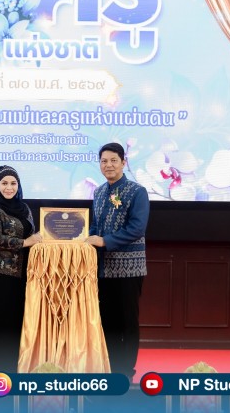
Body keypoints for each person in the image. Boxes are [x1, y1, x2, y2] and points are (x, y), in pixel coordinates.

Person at [86, 142, 149, 381]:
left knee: (127, 322)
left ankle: (126, 372)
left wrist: (104, 241)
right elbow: (95, 226)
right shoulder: (99, 192)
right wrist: (84, 240)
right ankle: (111, 369)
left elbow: (137, 228)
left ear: (124, 162)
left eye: (114, 160)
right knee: (108, 322)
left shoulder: (137, 191)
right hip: (103, 269)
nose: (108, 165)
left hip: (129, 269)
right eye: (104, 161)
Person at [0, 165, 42, 380]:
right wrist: (26, 242)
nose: (9, 188)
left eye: (13, 183)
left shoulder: (24, 208)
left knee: (13, 327)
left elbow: (34, 235)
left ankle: (9, 376)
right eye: (4, 183)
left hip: (20, 276)